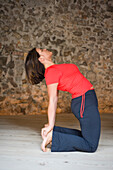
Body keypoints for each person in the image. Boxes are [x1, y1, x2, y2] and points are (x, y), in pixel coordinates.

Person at [25, 48, 101, 152]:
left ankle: (54, 133)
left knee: (86, 137)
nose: (45, 49)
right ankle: (53, 137)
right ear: (41, 59)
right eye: (42, 50)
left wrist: (52, 127)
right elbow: (53, 99)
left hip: (87, 99)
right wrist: (50, 124)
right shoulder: (51, 73)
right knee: (91, 146)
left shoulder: (55, 68)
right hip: (84, 101)